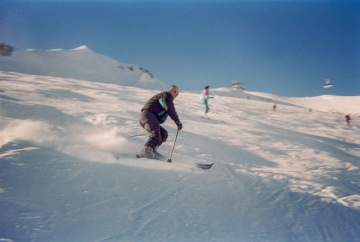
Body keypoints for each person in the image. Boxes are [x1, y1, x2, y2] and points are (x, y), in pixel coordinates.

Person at [139, 85, 183, 159]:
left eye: (177, 93)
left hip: (148, 117)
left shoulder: (166, 98)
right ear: (171, 90)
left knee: (163, 134)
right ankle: (147, 151)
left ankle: (152, 149)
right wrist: (177, 121)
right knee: (155, 135)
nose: (176, 95)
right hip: (148, 115)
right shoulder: (166, 95)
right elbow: (170, 108)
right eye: (175, 92)